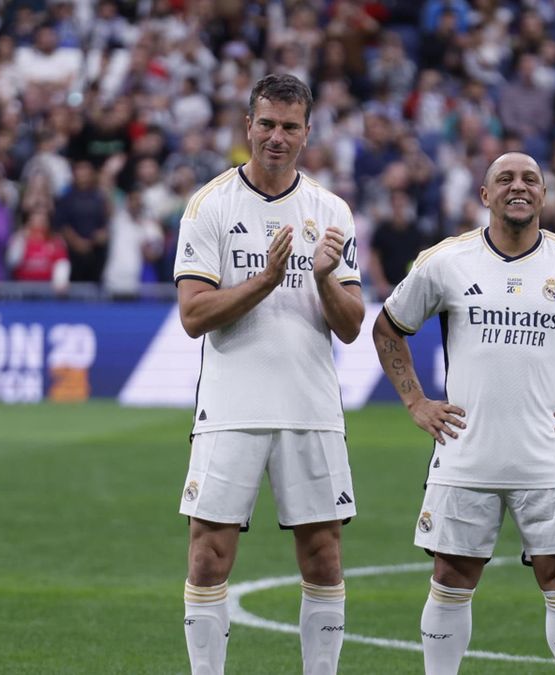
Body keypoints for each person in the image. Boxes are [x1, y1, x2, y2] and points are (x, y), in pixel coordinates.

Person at [372, 152, 555, 675]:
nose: (517, 187)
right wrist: (415, 400)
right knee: (451, 577)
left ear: (544, 195)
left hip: (549, 454)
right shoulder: (446, 261)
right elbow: (389, 328)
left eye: (529, 180)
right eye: (505, 179)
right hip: (465, 452)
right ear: (485, 195)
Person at [173, 74, 365, 675]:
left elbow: (353, 325)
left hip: (310, 406)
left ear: (307, 133)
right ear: (247, 126)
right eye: (266, 124)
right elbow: (193, 316)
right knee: (208, 556)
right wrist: (267, 278)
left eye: (289, 126)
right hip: (231, 406)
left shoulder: (331, 211)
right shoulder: (210, 205)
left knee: (323, 556)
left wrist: (324, 275)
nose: (276, 137)